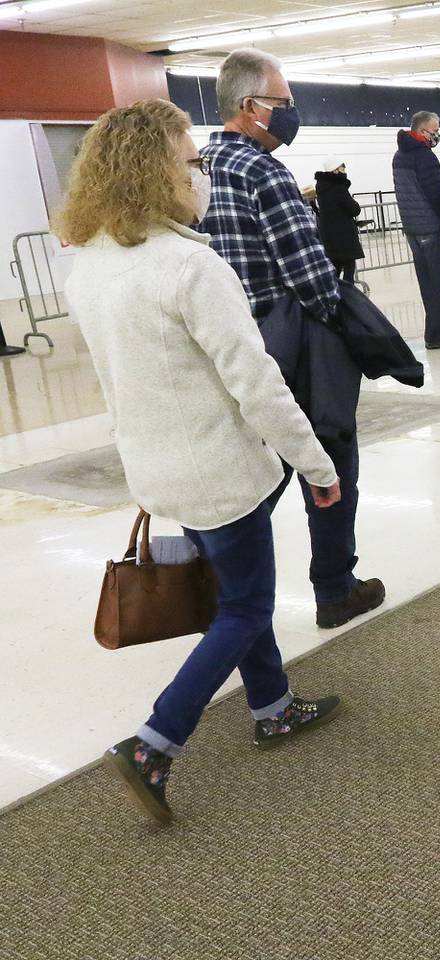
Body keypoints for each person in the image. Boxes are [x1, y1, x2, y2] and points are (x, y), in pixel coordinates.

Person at [58, 98, 343, 824]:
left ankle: (273, 705)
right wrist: (316, 465)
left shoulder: (88, 264)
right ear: (160, 172)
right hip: (221, 471)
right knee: (246, 605)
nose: (203, 174)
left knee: (240, 588)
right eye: (194, 161)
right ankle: (156, 742)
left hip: (159, 469)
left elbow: (118, 379)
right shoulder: (191, 266)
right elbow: (257, 385)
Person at [200, 48, 384, 630]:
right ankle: (334, 586)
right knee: (327, 457)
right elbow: (311, 277)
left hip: (224, 348)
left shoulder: (197, 167)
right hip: (289, 347)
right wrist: (342, 320)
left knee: (254, 470)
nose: (290, 114)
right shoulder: (265, 171)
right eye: (284, 103)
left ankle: (224, 594)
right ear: (250, 106)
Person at [393, 109, 440, 348]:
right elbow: (436, 193)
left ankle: (433, 331)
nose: (437, 135)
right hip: (432, 228)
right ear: (422, 131)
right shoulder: (424, 157)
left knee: (427, 283)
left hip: (412, 229)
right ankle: (437, 334)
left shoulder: (399, 156)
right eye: (435, 131)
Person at [313, 158, 364, 285]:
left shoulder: (321, 187)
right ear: (335, 170)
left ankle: (334, 296)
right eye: (342, 168)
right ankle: (349, 298)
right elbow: (354, 209)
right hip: (344, 236)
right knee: (348, 270)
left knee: (335, 269)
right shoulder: (338, 187)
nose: (344, 171)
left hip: (329, 236)